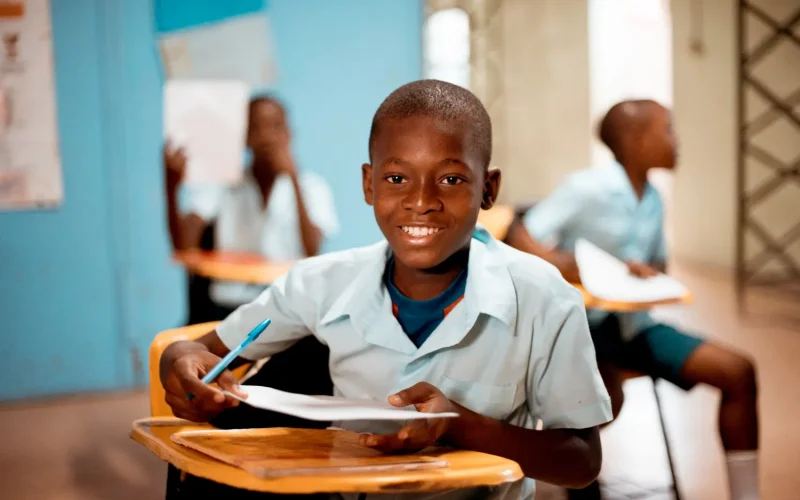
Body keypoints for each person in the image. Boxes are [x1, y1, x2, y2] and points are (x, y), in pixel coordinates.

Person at [159, 79, 613, 499]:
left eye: (451, 179)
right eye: (397, 178)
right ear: (368, 185)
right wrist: (179, 360)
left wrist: (458, 425)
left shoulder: (543, 299)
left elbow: (582, 461)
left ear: (488, 189)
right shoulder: (320, 282)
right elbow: (201, 351)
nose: (421, 201)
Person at [506, 99, 760, 500]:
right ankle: (569, 480)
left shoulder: (654, 199)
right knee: (597, 403)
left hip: (633, 329)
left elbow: (657, 262)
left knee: (739, 372)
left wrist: (646, 270)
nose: (676, 140)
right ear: (636, 140)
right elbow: (520, 236)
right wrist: (577, 266)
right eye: (668, 130)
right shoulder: (585, 188)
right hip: (584, 331)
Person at [164, 95, 339, 314]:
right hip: (228, 306)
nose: (266, 137)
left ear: (289, 134)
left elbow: (313, 250)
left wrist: (293, 179)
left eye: (275, 126)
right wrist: (171, 187)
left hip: (287, 307)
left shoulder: (312, 187)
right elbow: (184, 246)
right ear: (244, 137)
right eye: (257, 127)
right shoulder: (222, 184)